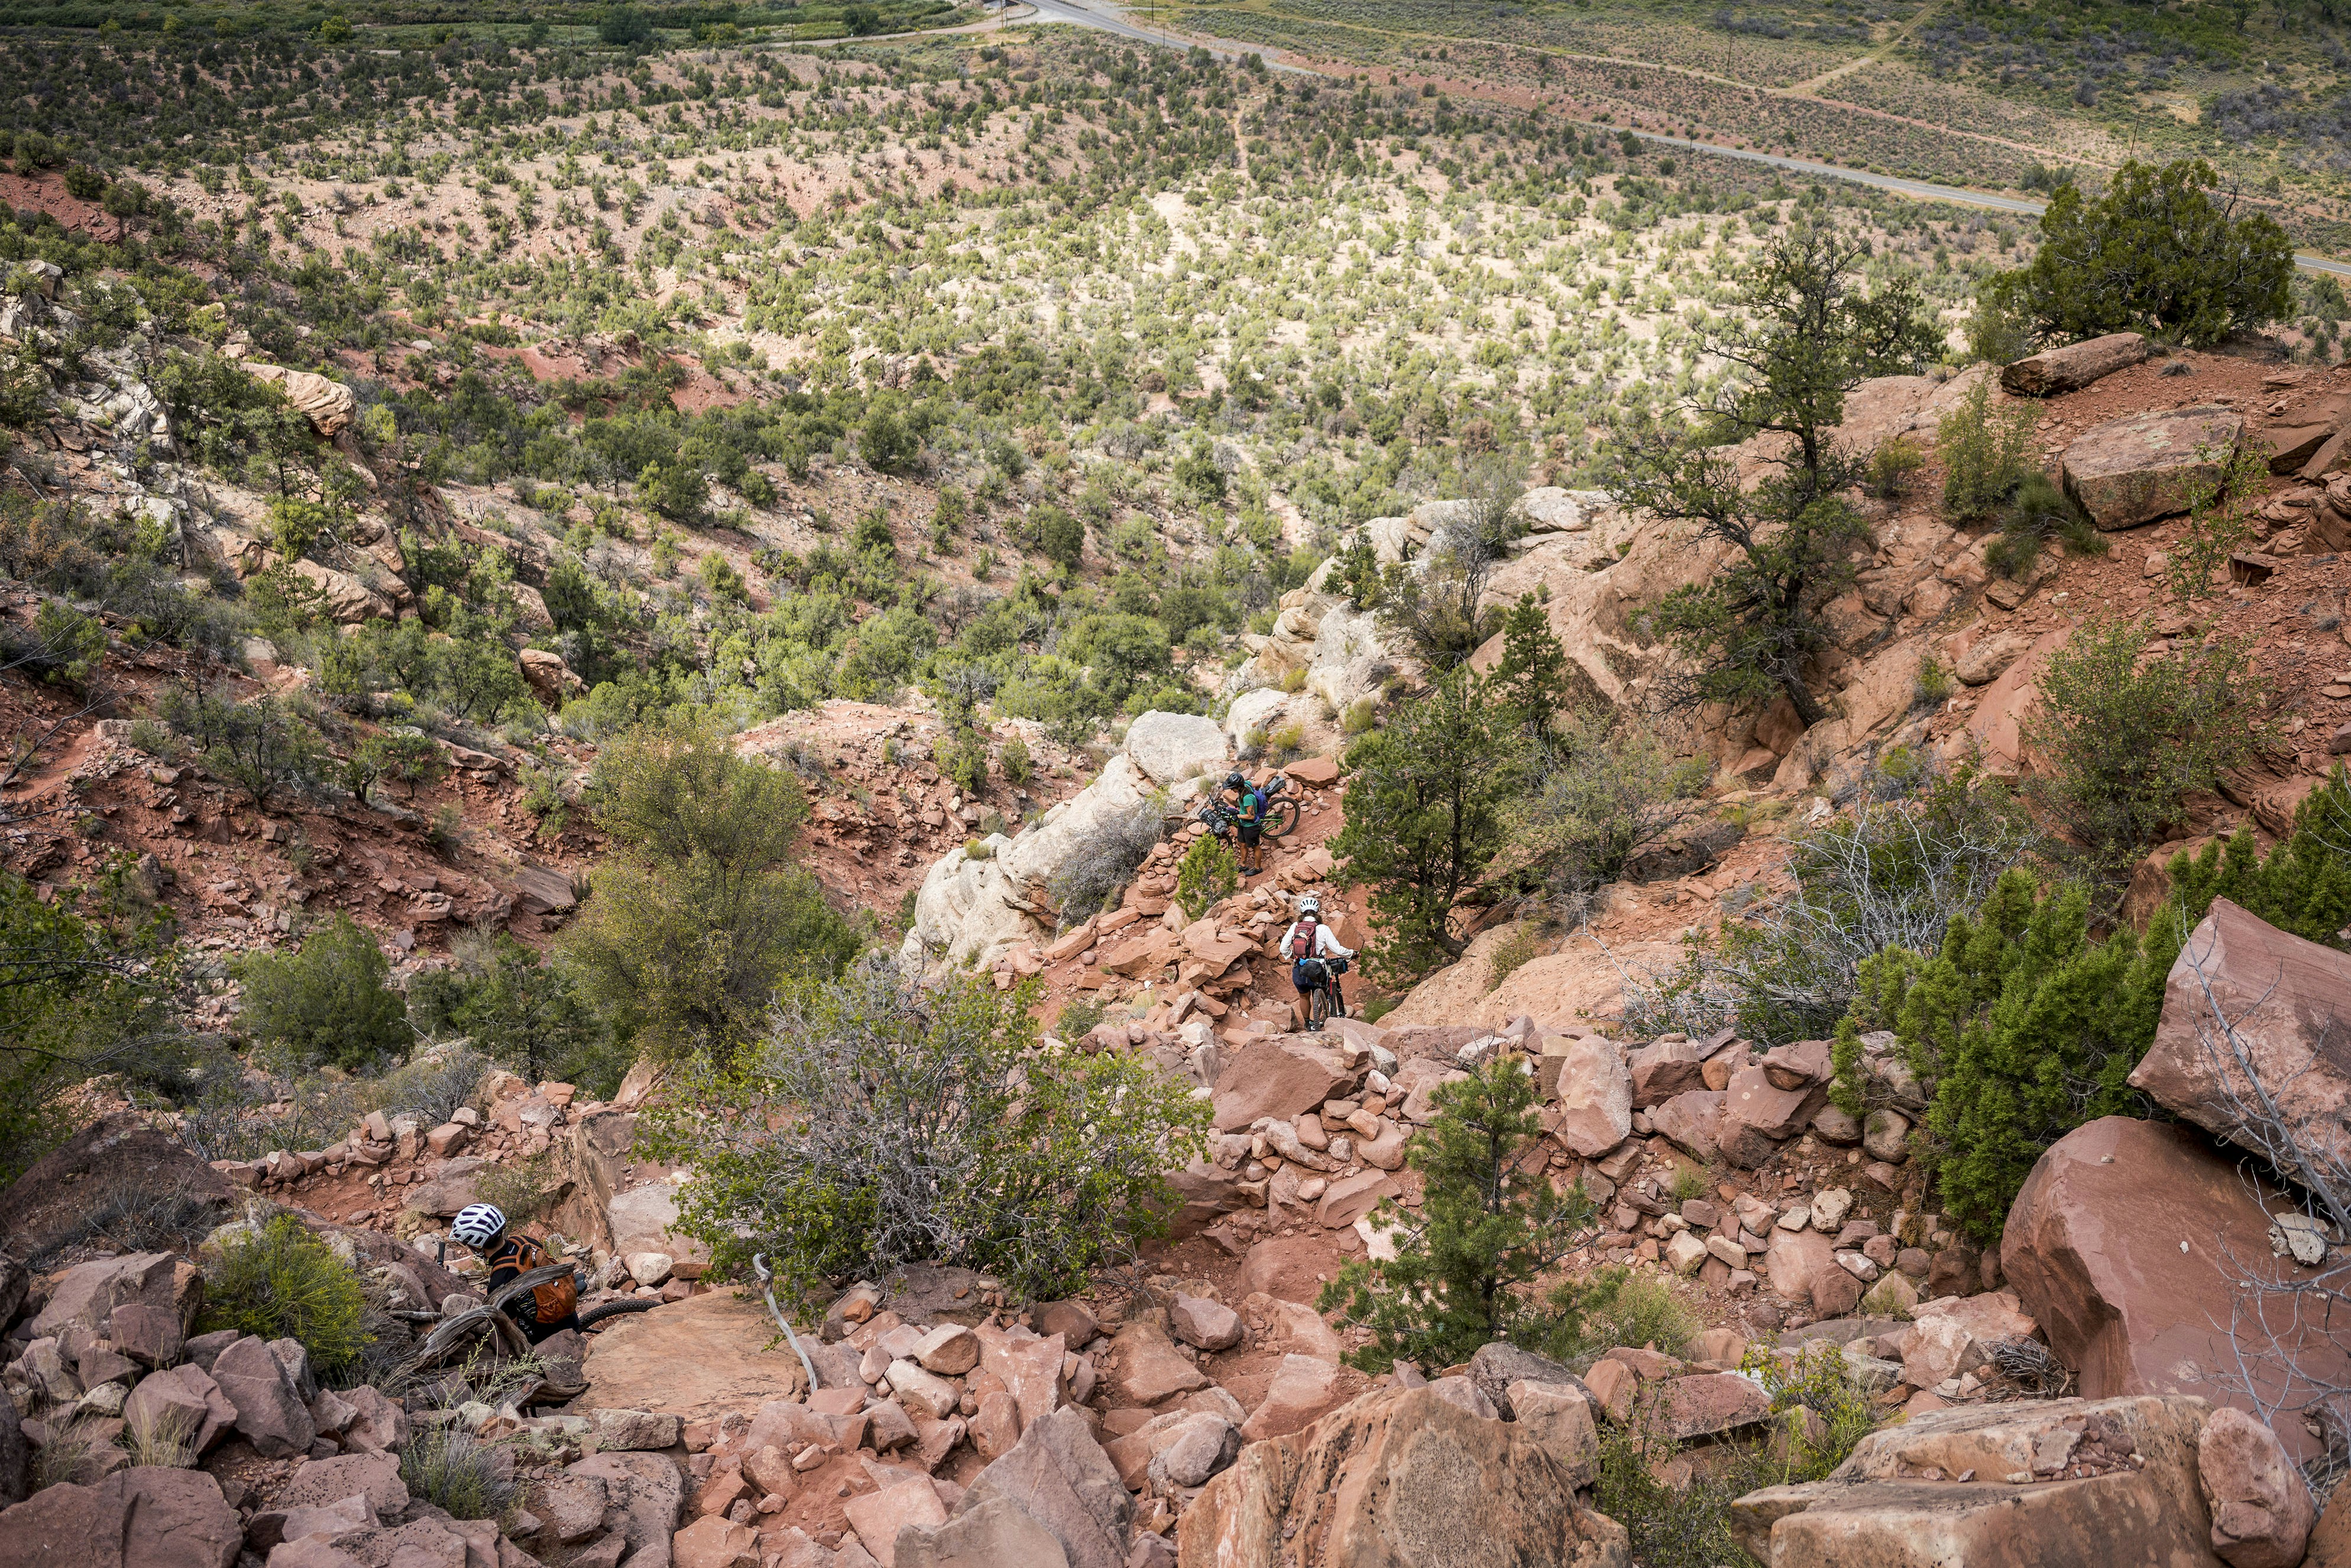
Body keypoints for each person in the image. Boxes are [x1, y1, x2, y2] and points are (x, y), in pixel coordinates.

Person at [451, 1203, 581, 1345]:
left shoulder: (499, 1281)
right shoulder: (523, 1241)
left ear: (477, 1246)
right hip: (568, 1311)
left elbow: (511, 1326)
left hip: (547, 1333)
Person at [1280, 895, 1355, 1029]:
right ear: (1317, 912)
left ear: (1302, 912)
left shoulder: (1295, 927)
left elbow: (1283, 948)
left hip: (1300, 969)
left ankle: (1308, 1023)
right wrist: (1351, 954)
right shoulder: (1322, 928)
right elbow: (1336, 949)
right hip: (1318, 969)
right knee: (1322, 989)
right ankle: (1324, 1015)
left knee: (1303, 997)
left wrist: (1294, 957)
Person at [1223, 770, 1268, 877]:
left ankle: (1258, 868)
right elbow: (1259, 784)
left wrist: (1237, 816)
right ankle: (1243, 865)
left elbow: (1251, 816)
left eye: (1232, 788)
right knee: (1242, 844)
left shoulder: (1248, 798)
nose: (1231, 790)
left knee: (1255, 847)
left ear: (1238, 787)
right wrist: (1258, 792)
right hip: (1243, 824)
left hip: (1251, 825)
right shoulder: (1246, 784)